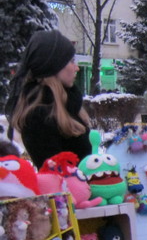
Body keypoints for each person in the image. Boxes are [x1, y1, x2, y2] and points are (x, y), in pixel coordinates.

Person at [5, 30, 92, 169]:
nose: (77, 68)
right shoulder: (39, 116)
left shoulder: (69, 104)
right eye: (71, 61)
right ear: (54, 66)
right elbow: (55, 176)